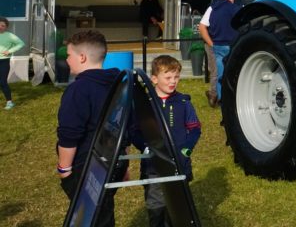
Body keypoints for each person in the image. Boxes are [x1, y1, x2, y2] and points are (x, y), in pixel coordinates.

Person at [56, 30, 124, 226]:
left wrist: (64, 169)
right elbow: (125, 126)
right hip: (113, 163)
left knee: (89, 217)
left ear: (82, 57)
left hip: (86, 168)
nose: (67, 60)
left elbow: (69, 133)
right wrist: (122, 160)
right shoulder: (120, 84)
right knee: (102, 212)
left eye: (69, 55)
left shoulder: (78, 90)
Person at [134, 55, 201, 227]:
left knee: (178, 210)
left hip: (179, 164)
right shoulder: (145, 104)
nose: (173, 81)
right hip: (153, 167)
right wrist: (144, 146)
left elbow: (195, 129)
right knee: (156, 208)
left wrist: (186, 150)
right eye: (168, 77)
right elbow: (133, 131)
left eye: (176, 77)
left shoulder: (184, 102)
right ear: (154, 79)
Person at [198, 0, 240, 104]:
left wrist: (211, 43)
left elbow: (202, 27)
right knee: (234, 71)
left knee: (217, 72)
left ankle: (218, 97)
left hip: (216, 45)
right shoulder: (236, 8)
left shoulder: (212, 8)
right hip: (232, 45)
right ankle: (233, 98)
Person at [0, 16, 25, 109]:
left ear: (6, 27)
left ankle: (9, 103)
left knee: (2, 82)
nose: (0, 27)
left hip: (4, 62)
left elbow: (21, 43)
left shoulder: (9, 36)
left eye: (2, 25)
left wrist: (9, 51)